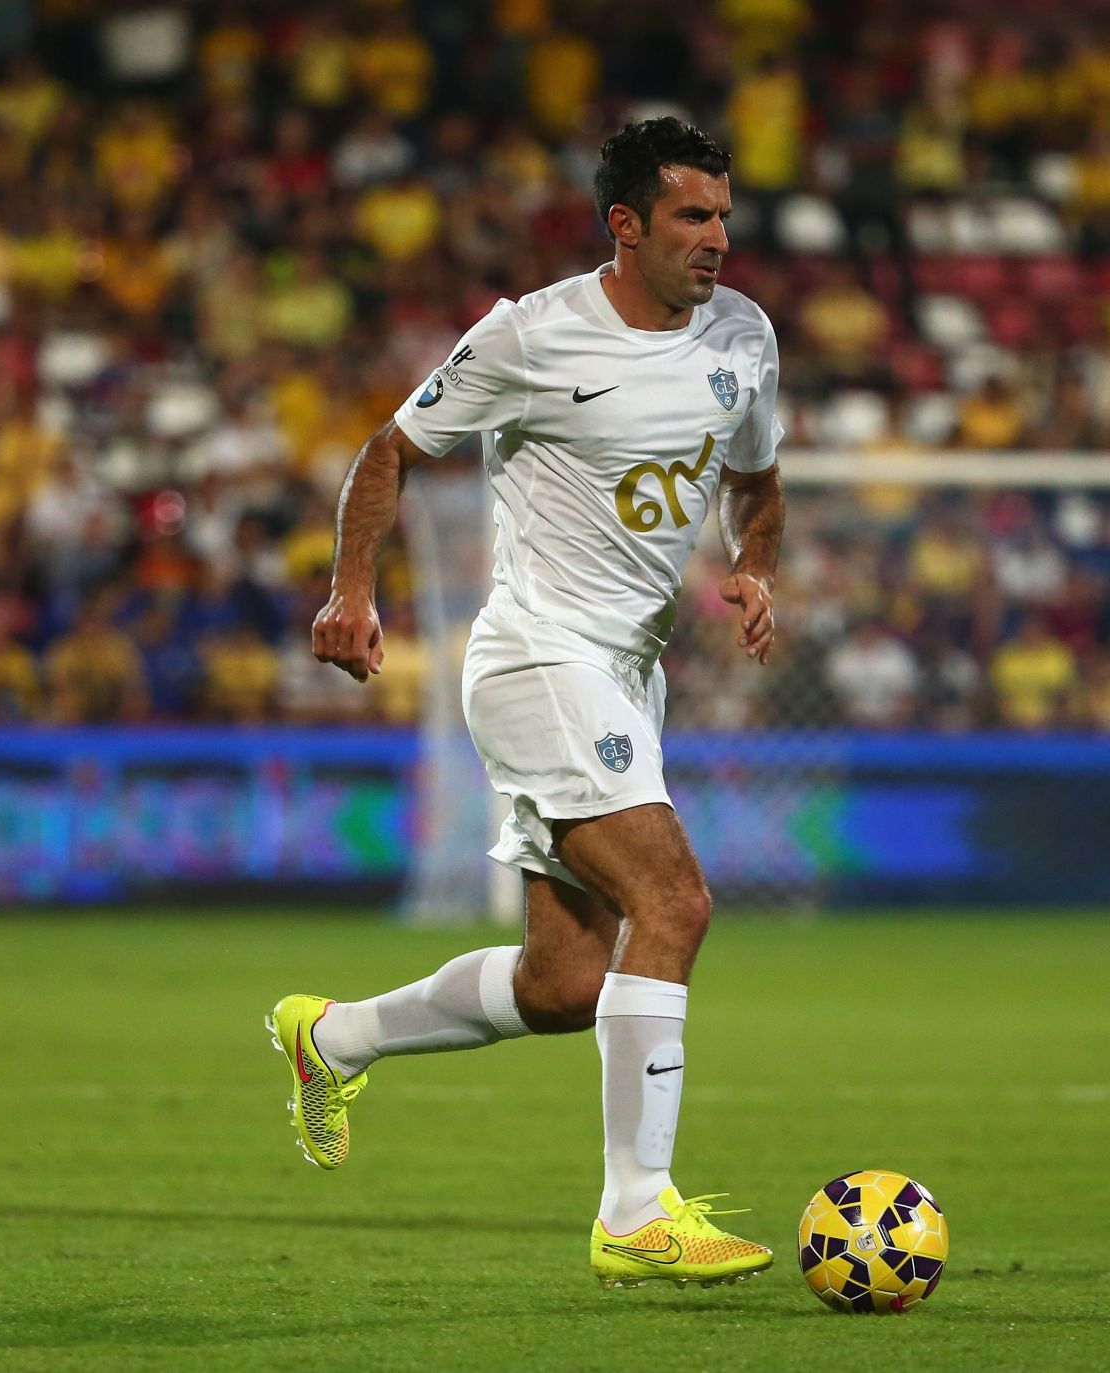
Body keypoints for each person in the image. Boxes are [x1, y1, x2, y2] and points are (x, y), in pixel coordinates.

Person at [268, 119, 785, 1290]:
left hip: (628, 672)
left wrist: (755, 564)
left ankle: (329, 1034)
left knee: (565, 985)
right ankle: (637, 1210)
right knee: (677, 899)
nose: (717, 239)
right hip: (539, 655)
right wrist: (352, 588)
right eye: (693, 218)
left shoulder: (744, 335)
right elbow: (387, 451)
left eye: (724, 216)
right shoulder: (529, 335)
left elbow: (757, 484)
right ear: (626, 225)